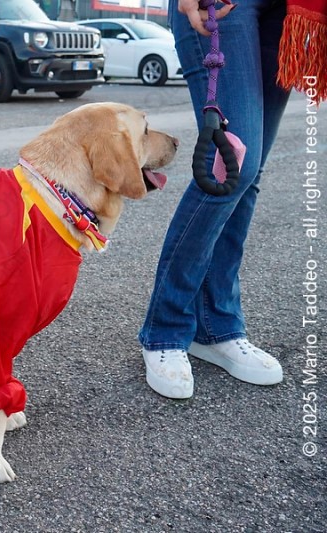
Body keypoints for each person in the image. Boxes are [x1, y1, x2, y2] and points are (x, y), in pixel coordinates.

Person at [138, 0, 294, 398]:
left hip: (290, 11)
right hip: (225, 5)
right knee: (233, 165)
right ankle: (166, 327)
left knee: (248, 173)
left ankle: (215, 326)